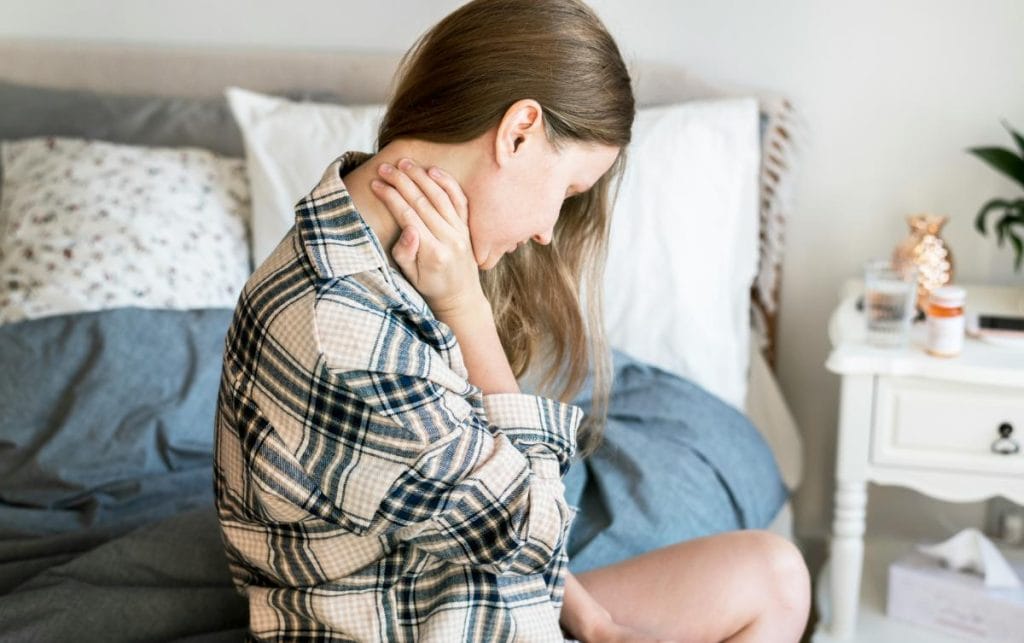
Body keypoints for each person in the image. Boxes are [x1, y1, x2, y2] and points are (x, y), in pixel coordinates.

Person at [213, 0, 811, 640]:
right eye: (568, 191)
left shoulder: (360, 230)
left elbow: (498, 500)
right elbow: (533, 527)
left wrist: (595, 622)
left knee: (773, 574)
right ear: (519, 131)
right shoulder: (348, 325)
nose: (549, 231)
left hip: (453, 594)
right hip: (412, 623)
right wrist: (467, 310)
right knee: (768, 585)